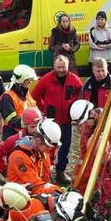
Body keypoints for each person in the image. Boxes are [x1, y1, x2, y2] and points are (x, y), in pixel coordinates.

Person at [31, 55, 83, 184]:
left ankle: (60, 172)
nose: (61, 70)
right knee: (49, 147)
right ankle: (47, 171)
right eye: (58, 67)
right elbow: (34, 96)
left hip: (66, 120)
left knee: (65, 147)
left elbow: (81, 95)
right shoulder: (46, 79)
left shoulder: (74, 80)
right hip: (51, 121)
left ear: (68, 66)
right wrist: (43, 109)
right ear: (54, 67)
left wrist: (74, 109)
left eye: (63, 67)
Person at [7, 119, 63, 195]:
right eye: (48, 146)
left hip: (37, 193)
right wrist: (56, 191)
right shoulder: (19, 157)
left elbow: (45, 179)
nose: (50, 149)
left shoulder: (43, 152)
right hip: (21, 198)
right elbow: (34, 185)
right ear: (38, 141)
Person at [0, 107, 42, 176]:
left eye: (38, 126)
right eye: (32, 127)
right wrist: (5, 171)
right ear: (25, 125)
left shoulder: (43, 138)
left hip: (36, 177)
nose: (36, 130)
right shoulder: (14, 140)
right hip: (18, 180)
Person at [0, 64, 37, 140]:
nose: (30, 82)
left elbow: (33, 108)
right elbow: (12, 120)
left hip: (25, 133)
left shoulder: (25, 93)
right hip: (12, 135)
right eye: (28, 80)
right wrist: (30, 122)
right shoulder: (7, 97)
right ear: (20, 81)